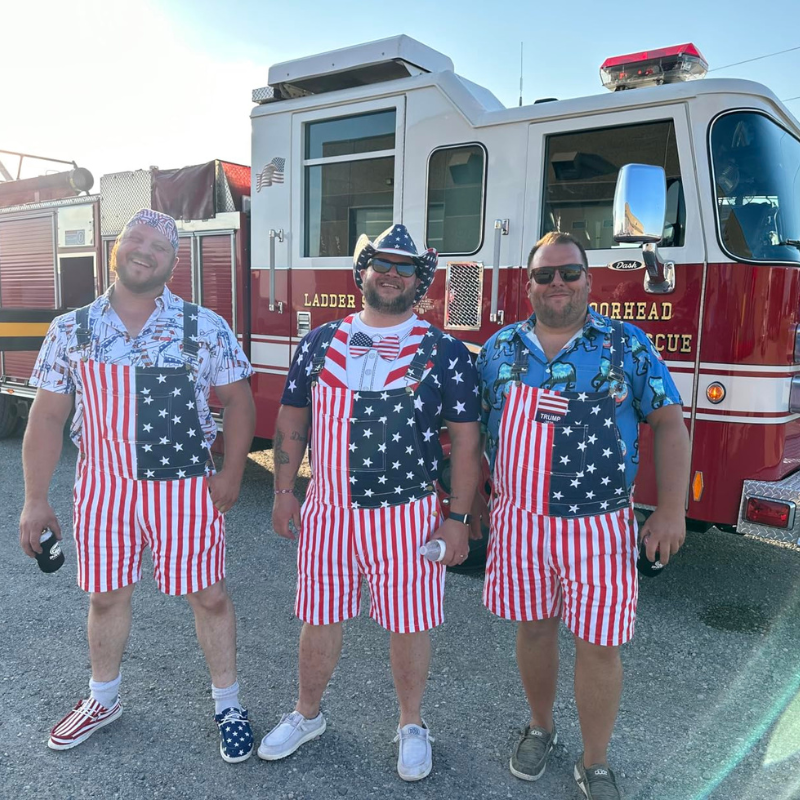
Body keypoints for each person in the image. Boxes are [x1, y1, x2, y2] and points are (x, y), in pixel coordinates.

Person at [19, 209, 257, 763]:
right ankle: (103, 699)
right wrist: (34, 499)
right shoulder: (72, 329)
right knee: (106, 597)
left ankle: (228, 705)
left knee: (210, 596)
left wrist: (232, 472)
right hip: (105, 489)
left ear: (174, 262)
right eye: (136, 239)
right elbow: (47, 418)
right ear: (116, 246)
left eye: (160, 246)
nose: (145, 251)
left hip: (186, 491)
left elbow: (239, 401)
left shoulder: (204, 326)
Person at [475, 231, 690, 799]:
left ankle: (595, 761)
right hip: (518, 522)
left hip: (599, 526)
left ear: (589, 281)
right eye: (545, 274)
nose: (558, 283)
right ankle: (540, 727)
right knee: (534, 628)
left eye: (569, 273)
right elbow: (472, 433)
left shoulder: (625, 344)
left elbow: (669, 422)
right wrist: (466, 505)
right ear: (528, 285)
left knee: (599, 643)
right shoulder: (499, 350)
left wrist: (672, 510)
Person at [262, 224, 481, 781]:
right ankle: (306, 714)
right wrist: (284, 491)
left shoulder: (445, 351)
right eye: (380, 263)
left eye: (405, 267)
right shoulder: (320, 342)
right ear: (361, 271)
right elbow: (292, 417)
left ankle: (412, 724)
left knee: (409, 622)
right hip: (327, 509)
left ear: (420, 280)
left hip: (408, 515)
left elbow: (466, 441)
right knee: (319, 615)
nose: (391, 274)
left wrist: (458, 518)